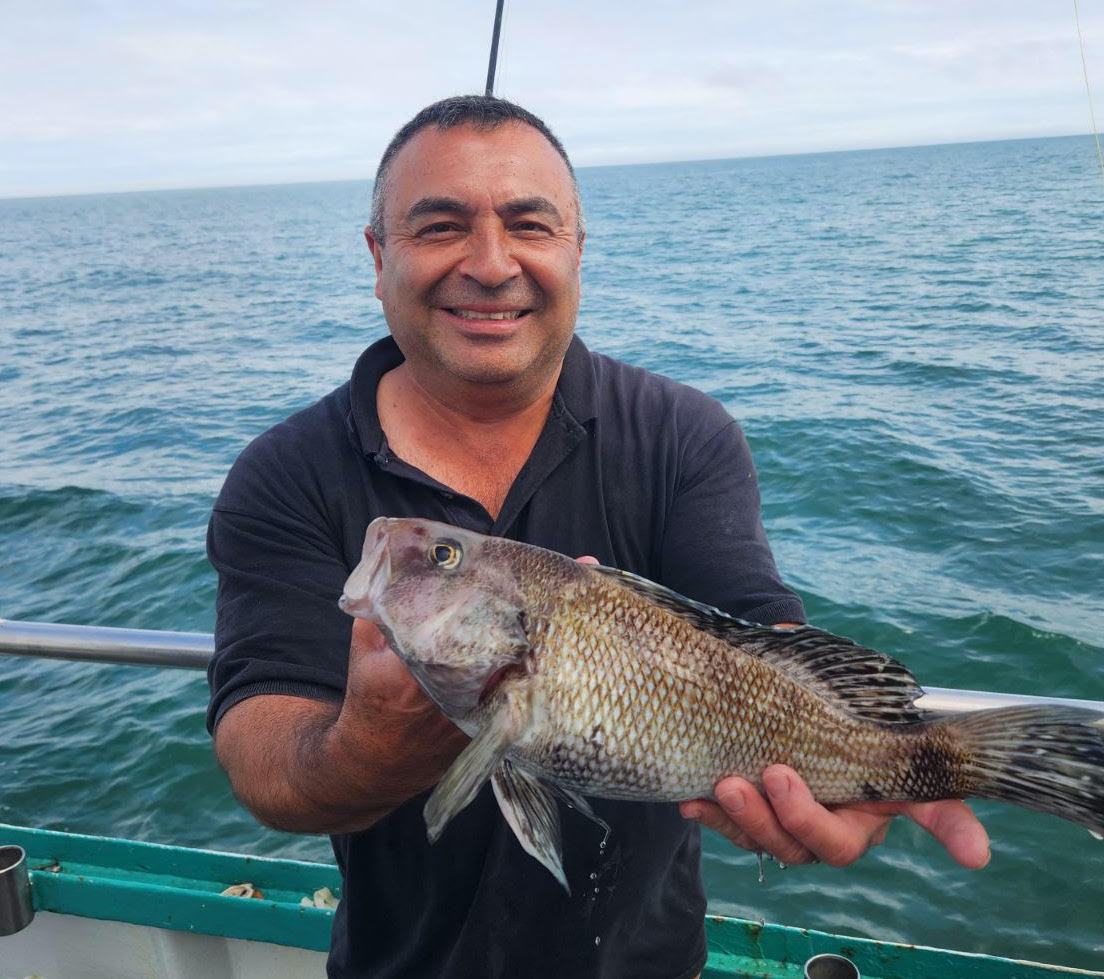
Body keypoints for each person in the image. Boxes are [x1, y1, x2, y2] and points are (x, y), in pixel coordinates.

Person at [207, 95, 989, 979]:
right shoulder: (284, 473)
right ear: (378, 254)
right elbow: (259, 747)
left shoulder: (680, 432)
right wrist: (364, 744)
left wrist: (870, 755)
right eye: (440, 226)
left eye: (530, 224)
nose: (492, 263)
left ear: (578, 249)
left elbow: (757, 632)